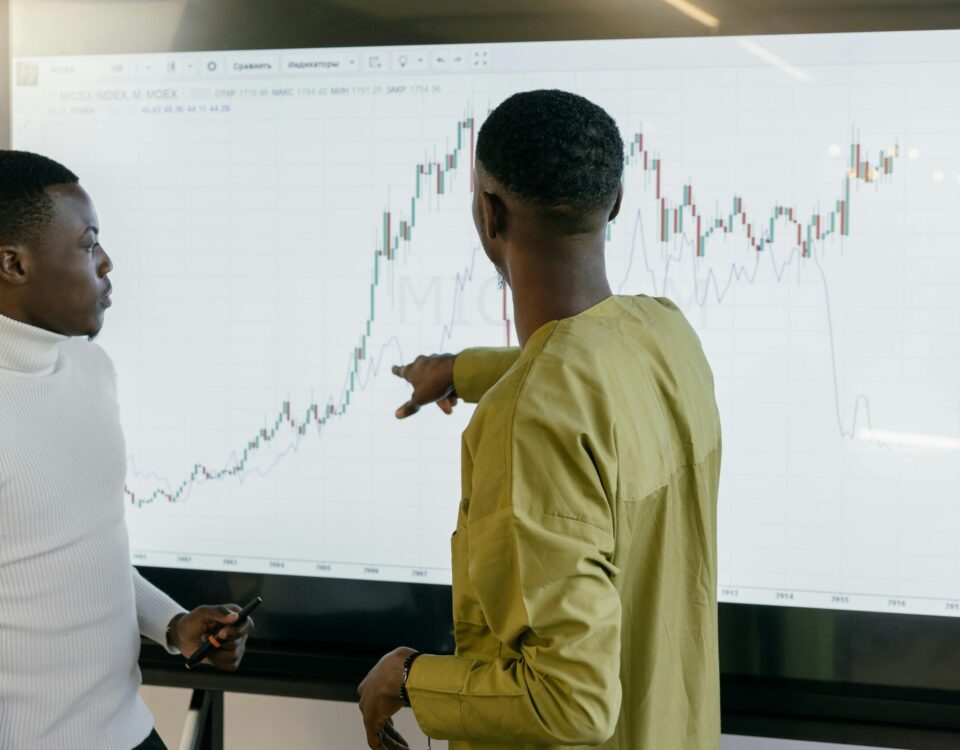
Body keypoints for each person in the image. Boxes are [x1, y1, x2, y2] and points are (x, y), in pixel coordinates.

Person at [358, 90, 722, 749]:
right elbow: (591, 370)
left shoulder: (529, 418)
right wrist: (461, 369)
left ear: (487, 213)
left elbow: (570, 703)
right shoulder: (668, 335)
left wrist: (410, 679)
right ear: (613, 201)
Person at [0, 150, 254, 750]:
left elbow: (82, 549)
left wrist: (172, 624)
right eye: (89, 244)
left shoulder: (92, 367)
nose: (108, 263)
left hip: (131, 733)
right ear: (13, 263)